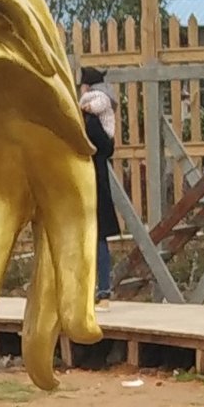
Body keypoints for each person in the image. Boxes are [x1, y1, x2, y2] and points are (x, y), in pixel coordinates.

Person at [79, 69, 119, 300]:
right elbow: (107, 147)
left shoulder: (90, 119)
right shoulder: (95, 113)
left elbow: (101, 146)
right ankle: (101, 287)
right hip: (96, 178)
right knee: (98, 236)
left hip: (90, 180)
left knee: (94, 236)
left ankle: (98, 287)